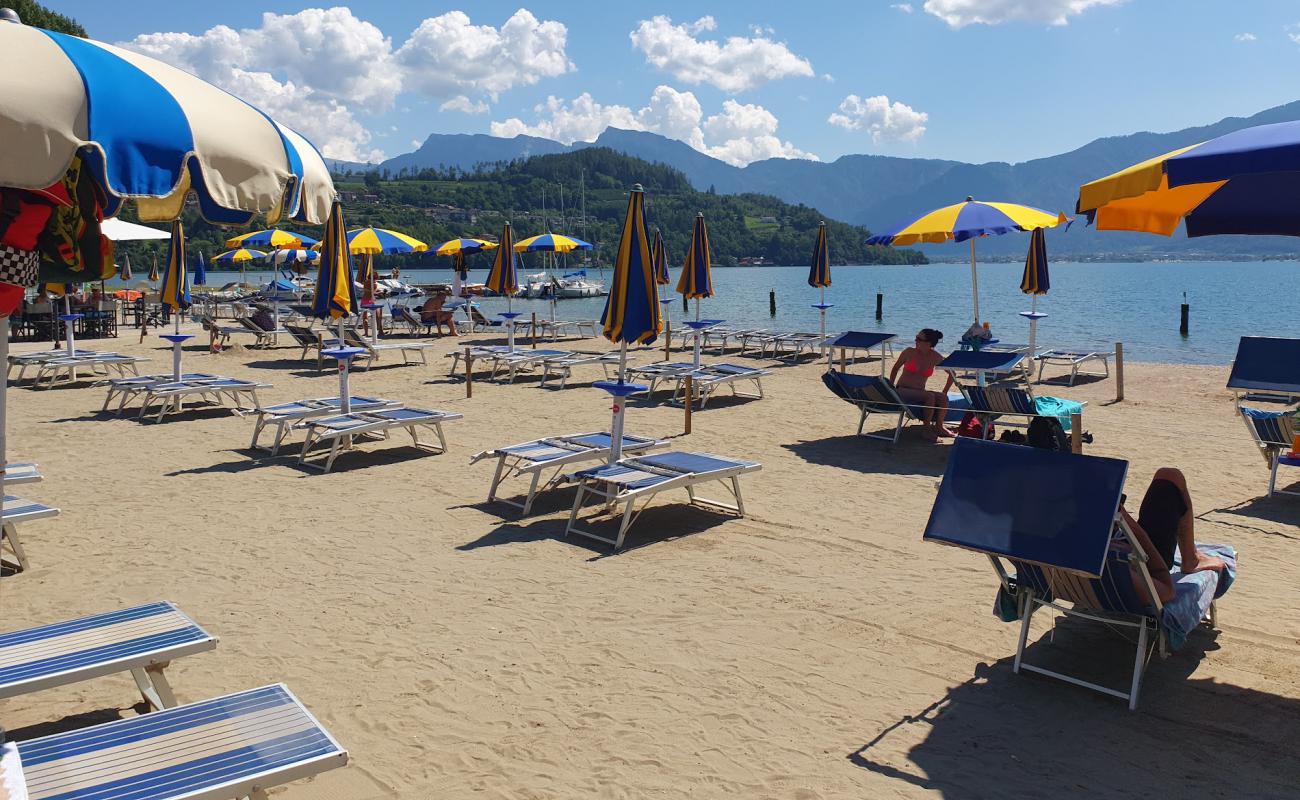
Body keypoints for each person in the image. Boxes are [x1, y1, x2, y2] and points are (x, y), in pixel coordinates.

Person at [1118, 467, 1227, 604]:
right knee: (1172, 477)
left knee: (1168, 474)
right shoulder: (1119, 574)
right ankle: (1191, 559)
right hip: (1134, 558)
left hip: (1112, 543)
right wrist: (1127, 521)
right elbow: (1167, 592)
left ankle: (1191, 558)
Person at [888, 328, 954, 441]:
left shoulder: (935, 357)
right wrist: (890, 387)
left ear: (929, 343)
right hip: (902, 390)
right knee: (929, 396)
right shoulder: (909, 352)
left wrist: (945, 391)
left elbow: (952, 373)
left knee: (942, 397)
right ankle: (926, 430)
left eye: (919, 339)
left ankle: (939, 427)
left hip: (919, 392)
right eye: (916, 338)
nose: (915, 340)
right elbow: (895, 369)